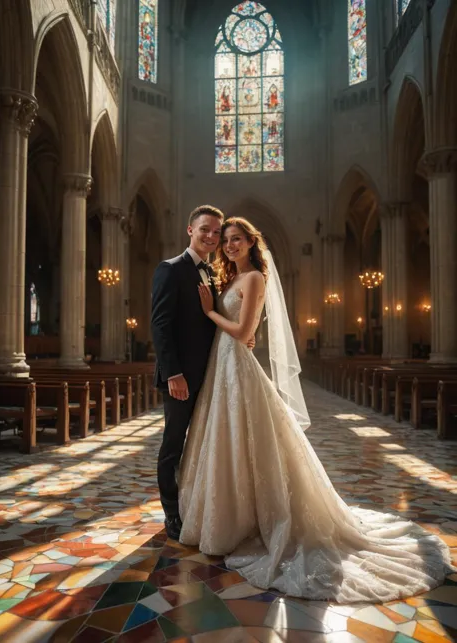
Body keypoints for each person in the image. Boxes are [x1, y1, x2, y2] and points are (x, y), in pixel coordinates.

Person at [177, 216, 454, 603]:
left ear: (251, 243)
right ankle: (223, 519)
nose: (230, 246)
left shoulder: (255, 277)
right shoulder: (232, 279)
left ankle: (251, 521)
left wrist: (210, 312)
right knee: (226, 442)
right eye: (226, 241)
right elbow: (241, 330)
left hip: (236, 365)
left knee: (248, 441)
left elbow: (242, 332)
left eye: (237, 239)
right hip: (220, 366)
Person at [151, 205, 254, 540]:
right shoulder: (170, 270)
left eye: (216, 233)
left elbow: (218, 322)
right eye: (205, 230)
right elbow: (161, 327)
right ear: (189, 230)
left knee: (203, 444)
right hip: (181, 378)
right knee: (173, 446)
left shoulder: (213, 275)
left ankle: (196, 507)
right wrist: (173, 375)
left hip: (213, 376)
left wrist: (245, 335)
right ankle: (171, 514)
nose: (211, 237)